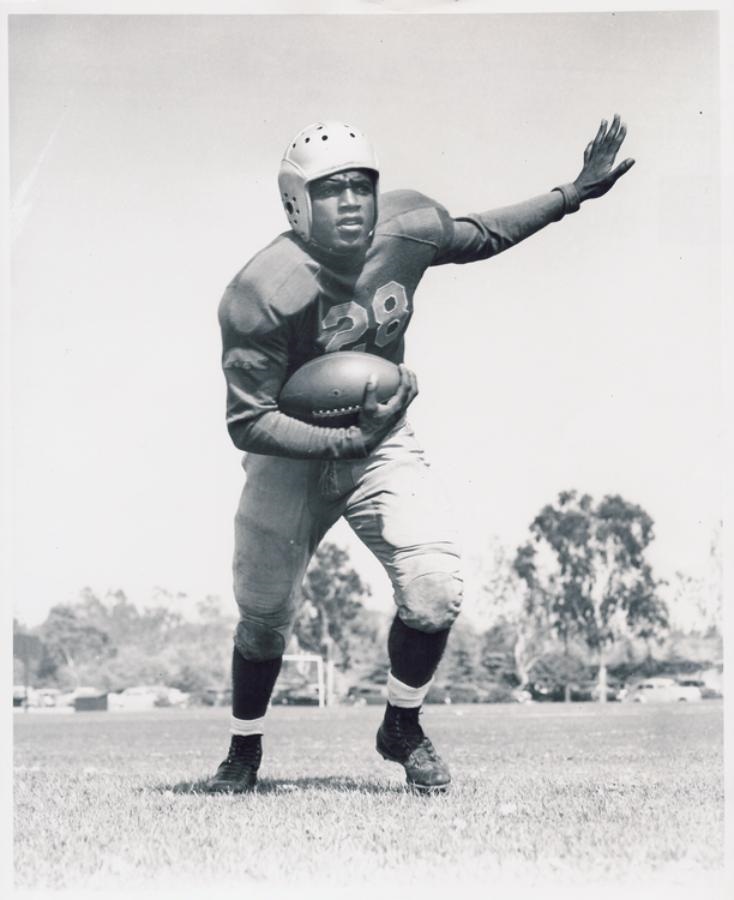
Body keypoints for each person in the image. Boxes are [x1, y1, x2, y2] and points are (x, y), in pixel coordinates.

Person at [206, 117, 634, 794]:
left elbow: (483, 234)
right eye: (331, 190)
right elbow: (248, 421)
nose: (351, 201)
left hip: (380, 442)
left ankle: (402, 725)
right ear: (296, 200)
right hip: (288, 453)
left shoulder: (406, 228)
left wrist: (572, 192)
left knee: (435, 589)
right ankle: (244, 749)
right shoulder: (261, 290)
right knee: (262, 617)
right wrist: (342, 439)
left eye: (360, 186)